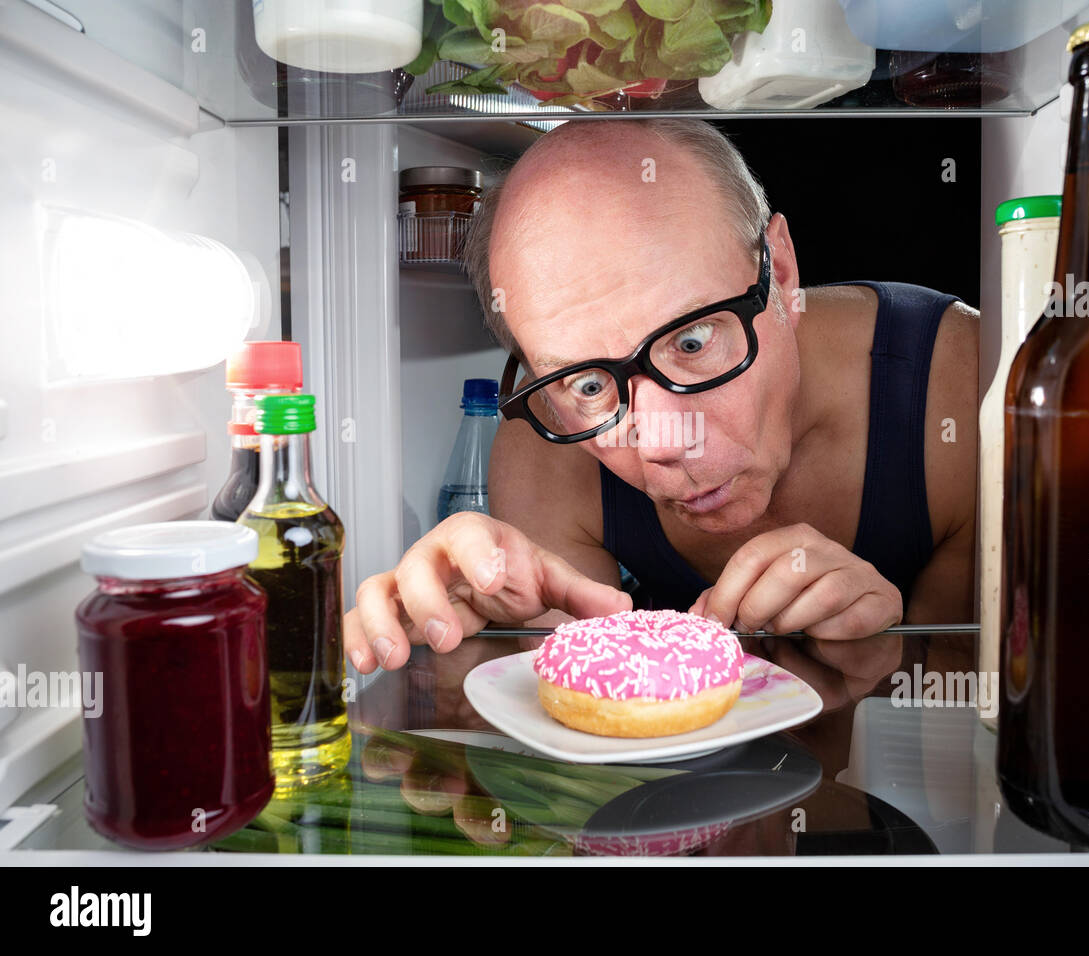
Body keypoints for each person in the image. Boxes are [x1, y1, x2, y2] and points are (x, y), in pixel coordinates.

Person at [344, 118, 977, 688]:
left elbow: (965, 746)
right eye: (589, 384)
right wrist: (470, 661)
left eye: (693, 340)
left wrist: (885, 657)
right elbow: (587, 738)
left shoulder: (957, 386)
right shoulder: (545, 445)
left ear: (780, 271)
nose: (667, 445)